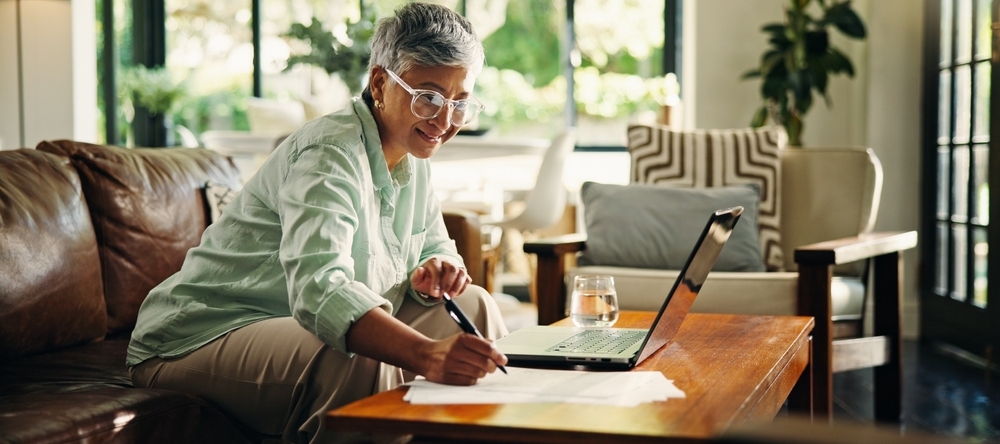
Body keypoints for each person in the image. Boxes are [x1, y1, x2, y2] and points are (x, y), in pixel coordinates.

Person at [126, 3, 509, 443]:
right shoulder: (330, 153)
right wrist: (426, 354)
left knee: (475, 305)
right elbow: (320, 290)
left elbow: (433, 245)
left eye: (459, 104)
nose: (444, 122)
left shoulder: (411, 152)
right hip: (195, 338)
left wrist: (437, 267)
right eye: (429, 97)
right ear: (380, 82)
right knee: (359, 355)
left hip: (288, 327)